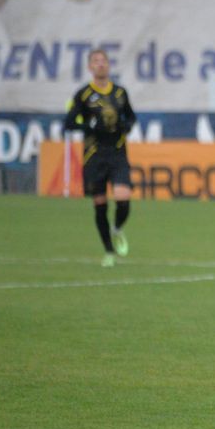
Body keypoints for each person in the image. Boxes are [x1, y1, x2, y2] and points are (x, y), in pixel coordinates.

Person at [63, 48, 135, 267]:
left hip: (117, 153)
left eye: (103, 61)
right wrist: (90, 125)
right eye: (96, 61)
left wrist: (124, 126)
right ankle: (108, 251)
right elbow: (68, 123)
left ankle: (117, 228)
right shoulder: (83, 94)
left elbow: (131, 118)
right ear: (90, 67)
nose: (100, 64)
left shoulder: (120, 93)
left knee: (123, 199)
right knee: (100, 204)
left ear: (108, 65)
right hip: (94, 156)